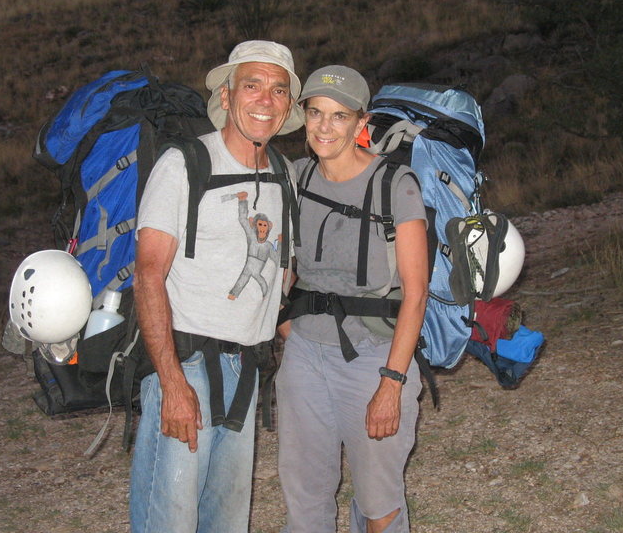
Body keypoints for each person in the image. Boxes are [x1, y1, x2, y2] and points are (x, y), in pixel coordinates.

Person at [129, 40, 303, 533]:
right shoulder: (184, 164)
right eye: (252, 85)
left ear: (288, 105)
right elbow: (148, 274)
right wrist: (171, 385)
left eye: (278, 90)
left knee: (227, 517)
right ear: (227, 97)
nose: (264, 100)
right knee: (170, 518)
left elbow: (281, 282)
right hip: (185, 365)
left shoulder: (285, 176)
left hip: (246, 367)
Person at [276, 65, 429, 533]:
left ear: (361, 124)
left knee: (379, 502)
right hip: (305, 354)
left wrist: (392, 382)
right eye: (316, 113)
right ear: (303, 116)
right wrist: (288, 326)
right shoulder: (295, 178)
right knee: (305, 499)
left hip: (374, 358)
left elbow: (416, 293)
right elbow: (284, 264)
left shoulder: (394, 185)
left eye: (339, 116)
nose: (325, 126)